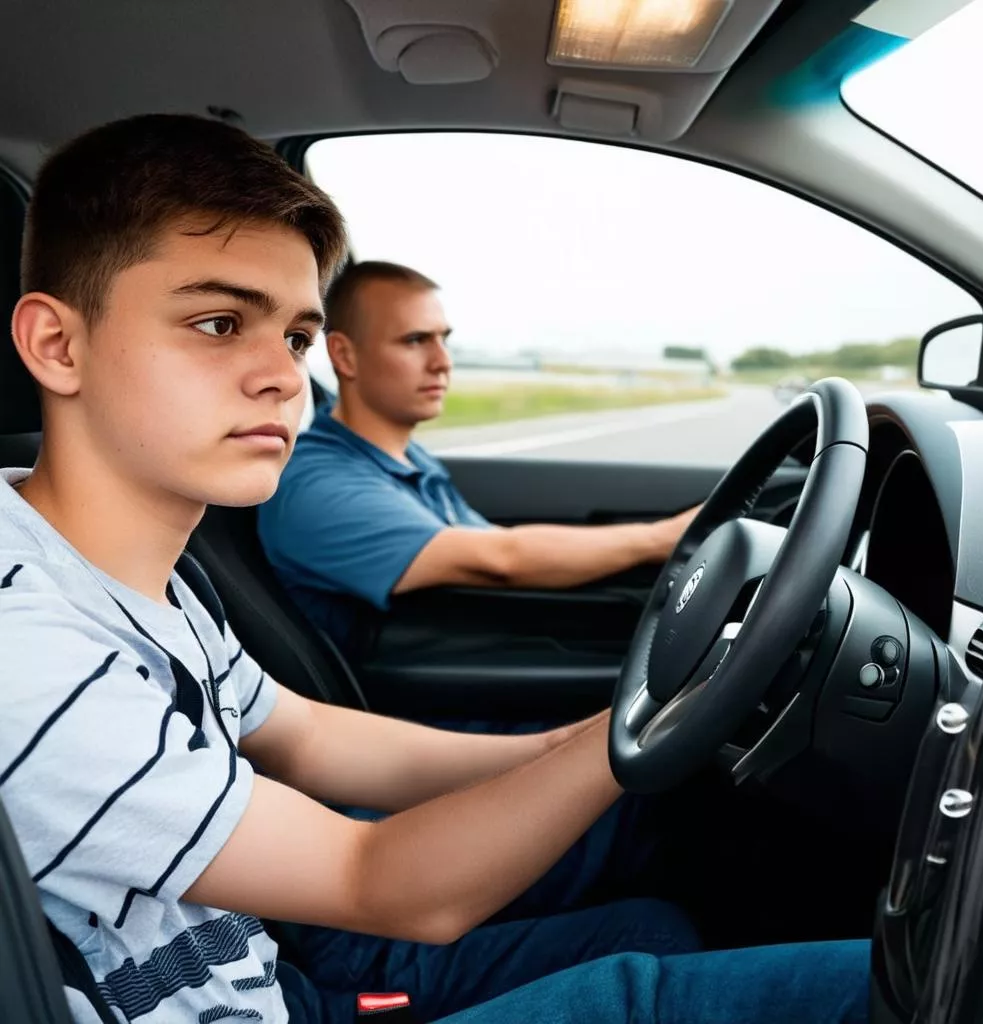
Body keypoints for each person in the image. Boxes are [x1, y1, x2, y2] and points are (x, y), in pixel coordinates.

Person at [0, 113, 869, 1024]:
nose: (283, 378)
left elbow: (309, 739)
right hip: (281, 982)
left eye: (295, 336)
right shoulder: (27, 636)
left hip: (268, 981)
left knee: (659, 928)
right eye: (218, 324)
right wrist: (640, 741)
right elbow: (378, 881)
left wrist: (559, 746)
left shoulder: (139, 576)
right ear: (59, 346)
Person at [258, 261, 703, 655]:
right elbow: (499, 559)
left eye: (444, 339)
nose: (443, 362)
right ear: (345, 356)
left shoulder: (408, 458)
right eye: (415, 341)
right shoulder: (317, 483)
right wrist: (662, 538)